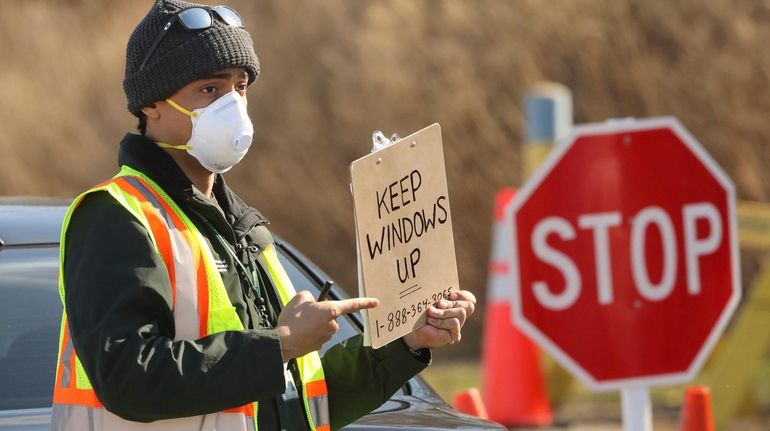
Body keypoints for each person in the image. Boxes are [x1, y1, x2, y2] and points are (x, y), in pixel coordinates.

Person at [50, 1, 476, 430]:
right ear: (151, 105)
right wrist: (280, 345)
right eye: (209, 89)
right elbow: (129, 378)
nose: (232, 103)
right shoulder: (114, 216)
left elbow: (303, 401)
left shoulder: (243, 229)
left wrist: (405, 343)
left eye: (240, 86)